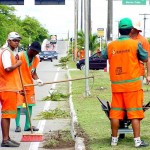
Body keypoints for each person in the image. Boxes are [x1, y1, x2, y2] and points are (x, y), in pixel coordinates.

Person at [102, 18, 149, 148]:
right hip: (132, 86)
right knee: (134, 113)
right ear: (130, 30)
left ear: (119, 31)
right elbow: (145, 58)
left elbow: (103, 56)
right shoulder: (135, 44)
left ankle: (114, 141)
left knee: (115, 113)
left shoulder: (112, 45)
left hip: (117, 85)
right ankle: (137, 142)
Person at [15, 41, 43, 132]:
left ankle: (27, 125)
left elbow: (33, 72)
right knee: (18, 105)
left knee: (29, 105)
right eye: (35, 51)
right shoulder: (20, 56)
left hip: (29, 85)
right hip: (18, 85)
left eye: (38, 52)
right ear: (31, 49)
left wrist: (38, 79)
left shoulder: (36, 59)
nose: (36, 53)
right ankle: (17, 125)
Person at [0, 32, 22, 147]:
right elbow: (8, 68)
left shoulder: (9, 52)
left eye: (18, 40)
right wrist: (18, 63)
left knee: (8, 114)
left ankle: (7, 137)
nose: (17, 42)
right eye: (14, 40)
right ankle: (5, 140)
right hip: (7, 87)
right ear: (8, 40)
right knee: (6, 114)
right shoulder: (6, 52)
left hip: (9, 87)